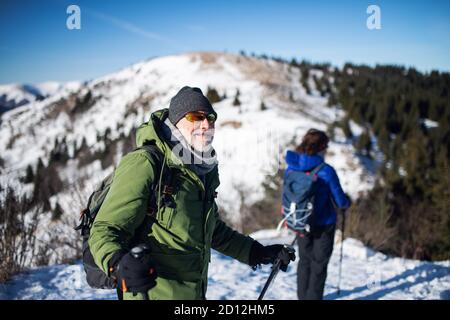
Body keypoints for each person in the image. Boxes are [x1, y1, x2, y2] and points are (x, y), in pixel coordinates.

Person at [88, 86, 295, 300]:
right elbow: (106, 228)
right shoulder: (147, 163)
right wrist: (118, 264)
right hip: (150, 294)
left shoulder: (201, 170)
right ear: (176, 122)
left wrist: (257, 252)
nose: (205, 124)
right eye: (196, 117)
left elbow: (212, 230)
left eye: (210, 118)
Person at [284, 128, 350, 300]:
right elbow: (340, 201)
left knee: (304, 261)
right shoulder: (326, 170)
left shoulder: (291, 167)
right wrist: (347, 202)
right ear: (321, 147)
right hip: (324, 223)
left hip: (300, 220)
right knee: (319, 264)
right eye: (326, 146)